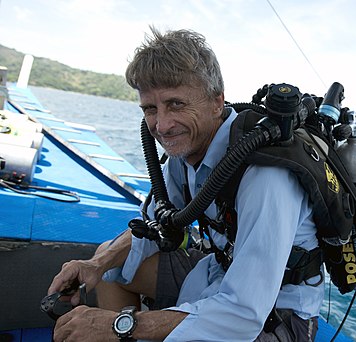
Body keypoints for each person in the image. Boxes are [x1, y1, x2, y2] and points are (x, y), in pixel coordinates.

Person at [48, 27, 324, 342]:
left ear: (217, 103)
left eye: (176, 104)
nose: (162, 126)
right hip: (218, 271)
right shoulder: (186, 150)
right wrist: (95, 264)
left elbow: (244, 315)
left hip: (275, 314)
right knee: (110, 265)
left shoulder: (265, 175)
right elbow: (155, 224)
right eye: (151, 109)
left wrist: (116, 326)